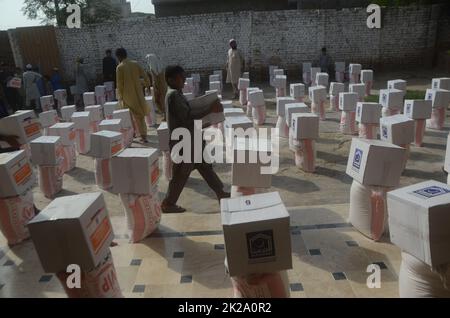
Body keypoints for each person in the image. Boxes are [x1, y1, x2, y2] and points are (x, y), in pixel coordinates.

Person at [161, 65, 230, 214]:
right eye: (181, 77)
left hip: (191, 141)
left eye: (184, 76)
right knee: (180, 174)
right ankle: (168, 203)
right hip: (184, 143)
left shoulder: (176, 93)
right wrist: (210, 109)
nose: (184, 79)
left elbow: (188, 113)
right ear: (170, 79)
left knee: (205, 167)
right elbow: (188, 117)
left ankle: (221, 193)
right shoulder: (173, 95)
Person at [115, 48, 151, 143]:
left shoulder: (120, 67)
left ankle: (134, 133)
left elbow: (119, 84)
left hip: (127, 96)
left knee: (129, 116)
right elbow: (145, 75)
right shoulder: (135, 63)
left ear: (118, 56)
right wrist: (147, 85)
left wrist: (120, 97)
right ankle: (143, 136)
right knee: (140, 116)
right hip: (138, 94)